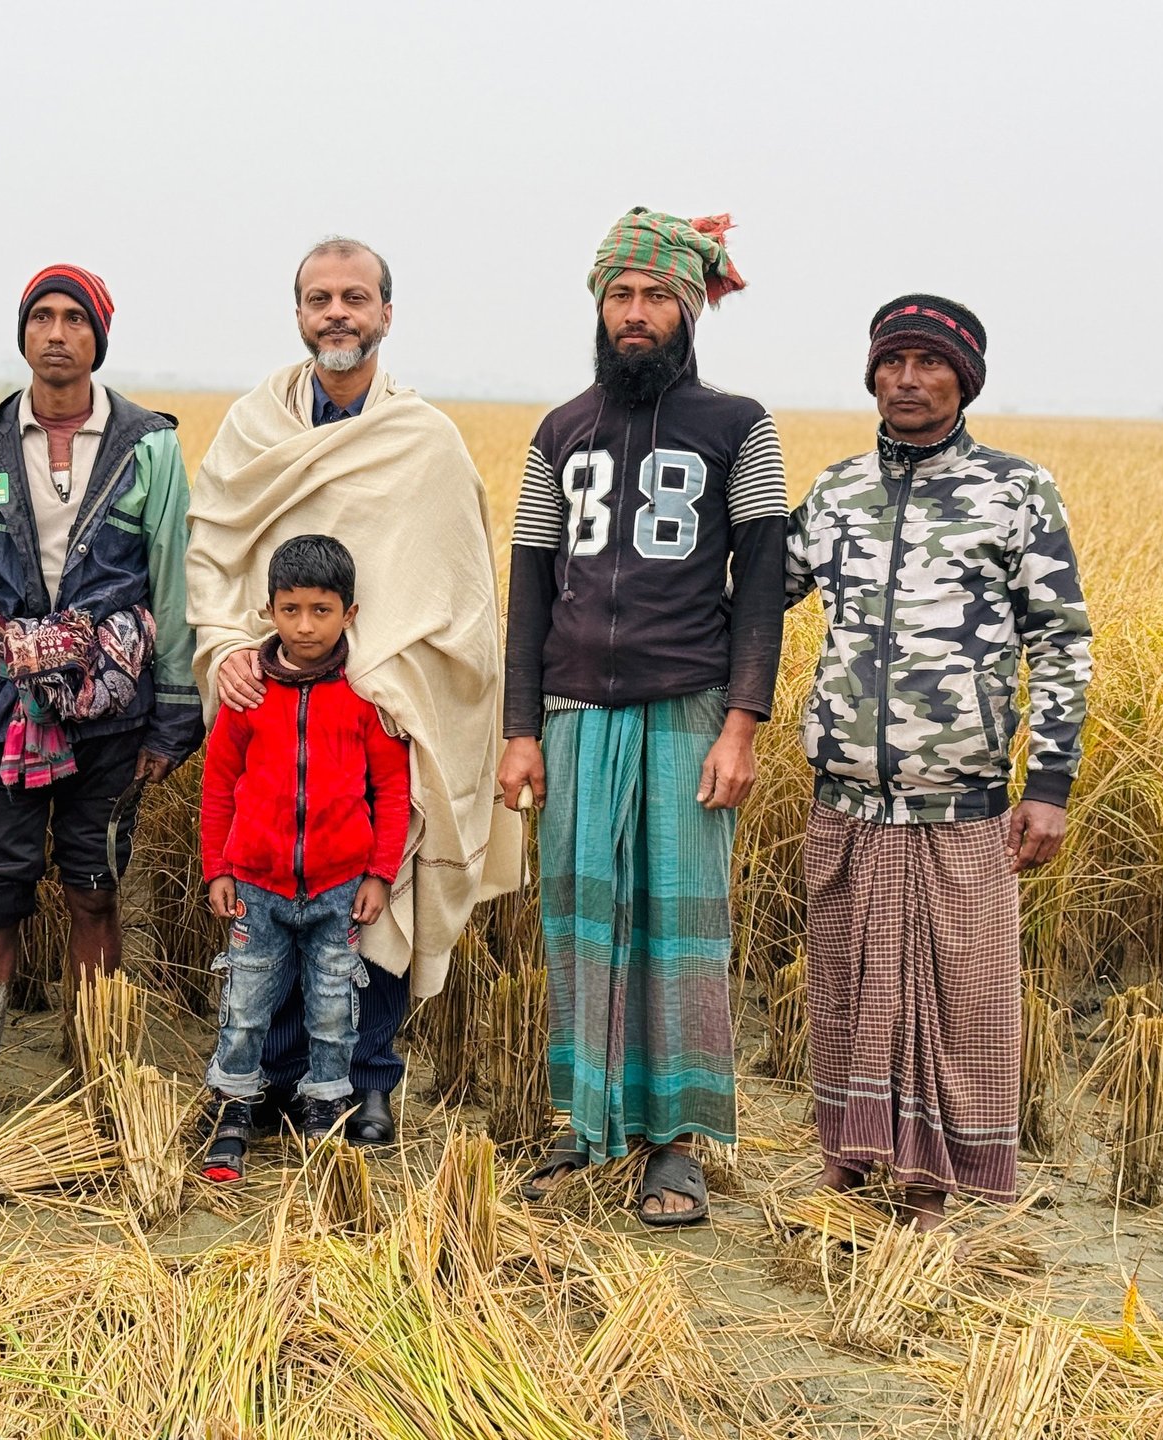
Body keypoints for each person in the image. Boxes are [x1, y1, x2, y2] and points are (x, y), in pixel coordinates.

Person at [187, 237, 520, 1148]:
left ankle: (367, 1083)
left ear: (385, 312)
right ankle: (277, 1084)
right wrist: (226, 646)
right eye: (319, 298)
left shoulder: (426, 441)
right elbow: (215, 550)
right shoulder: (256, 428)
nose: (338, 313)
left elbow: (458, 595)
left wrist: (389, 679)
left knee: (375, 901)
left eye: (356, 298)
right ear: (298, 313)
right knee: (277, 910)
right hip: (279, 701)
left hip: (388, 711)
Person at [499, 207, 787, 1225]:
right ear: (598, 306)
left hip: (688, 706)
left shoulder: (738, 426)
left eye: (655, 295)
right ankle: (585, 1127)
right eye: (619, 295)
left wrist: (742, 725)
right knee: (581, 923)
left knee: (679, 927)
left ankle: (676, 1144)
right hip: (577, 711)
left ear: (691, 306)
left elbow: (760, 584)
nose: (635, 312)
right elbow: (531, 584)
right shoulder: (559, 430)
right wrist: (520, 727)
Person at [787, 295, 1092, 1228]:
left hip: (958, 797)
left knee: (960, 992)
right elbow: (753, 602)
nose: (908, 380)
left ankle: (932, 1177)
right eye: (892, 363)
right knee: (843, 981)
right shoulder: (837, 492)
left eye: (930, 364)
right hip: (844, 794)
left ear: (964, 379)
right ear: (872, 374)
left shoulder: (1015, 491)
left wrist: (1048, 785)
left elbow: (1063, 640)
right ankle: (850, 1152)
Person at [0, 265, 202, 1136]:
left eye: (73, 319)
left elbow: (174, 582)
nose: (55, 333)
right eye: (40, 316)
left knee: (94, 889)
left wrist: (175, 712)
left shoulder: (148, 446)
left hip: (111, 713)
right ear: (23, 334)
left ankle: (100, 1076)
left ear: (98, 338)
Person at [197, 535, 411, 1180]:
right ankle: (233, 1107)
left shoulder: (365, 698)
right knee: (245, 1004)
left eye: (321, 610)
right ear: (268, 611)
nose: (305, 625)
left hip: (339, 890)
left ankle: (323, 1109)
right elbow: (217, 786)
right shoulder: (249, 696)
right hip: (257, 891)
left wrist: (378, 873)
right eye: (290, 610)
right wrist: (219, 868)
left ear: (350, 612)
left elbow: (391, 791)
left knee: (331, 1009)